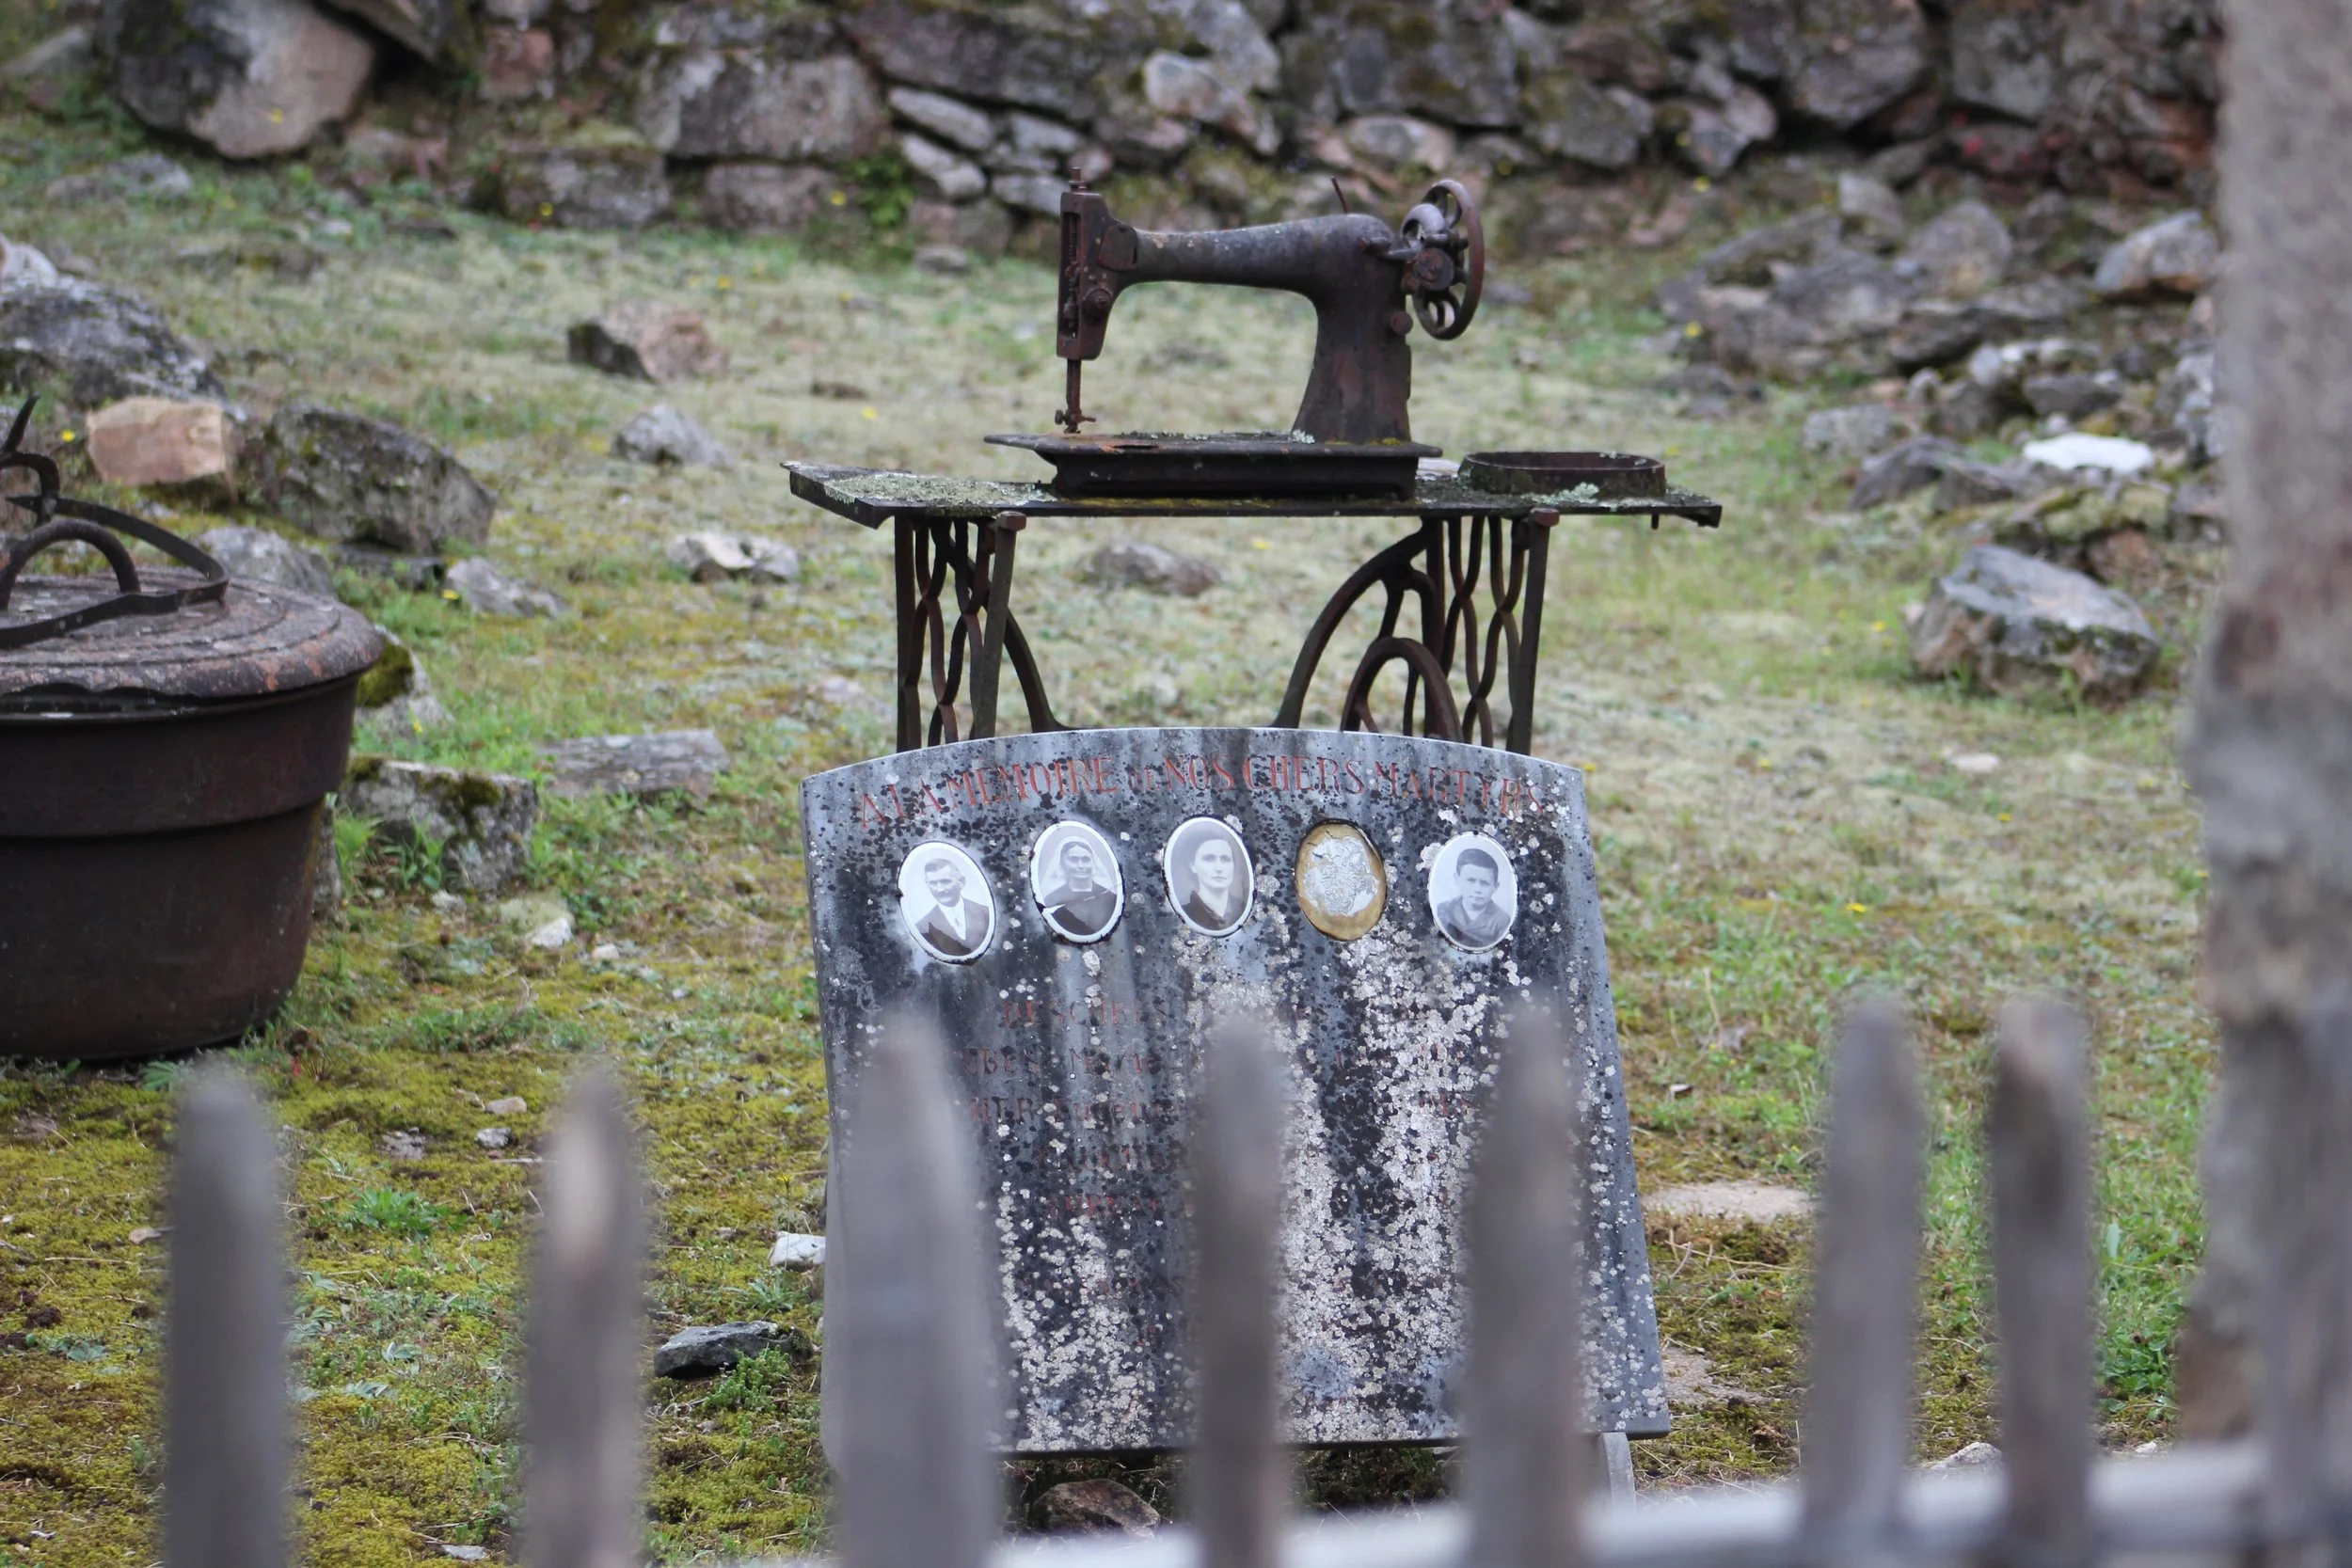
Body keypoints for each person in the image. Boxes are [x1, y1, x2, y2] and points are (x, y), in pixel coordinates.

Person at [912, 854, 992, 958]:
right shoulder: (923, 927)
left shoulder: (986, 913)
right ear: (927, 884)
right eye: (933, 883)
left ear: (961, 882)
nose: (940, 889)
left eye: (945, 882)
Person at [1041, 833, 1120, 939]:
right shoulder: (1052, 900)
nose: (1081, 866)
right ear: (1063, 863)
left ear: (1093, 863)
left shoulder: (1110, 898)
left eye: (1086, 860)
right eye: (1074, 860)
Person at [1434, 846, 1512, 948]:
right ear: (1457, 879)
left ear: (1495, 887)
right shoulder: (1443, 910)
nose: (1477, 889)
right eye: (1471, 880)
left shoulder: (1502, 921)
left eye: (1485, 883)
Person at [1179, 828, 1248, 934]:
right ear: (1193, 866)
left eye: (1225, 859)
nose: (1219, 868)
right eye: (1209, 859)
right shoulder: (1185, 913)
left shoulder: (1243, 909)